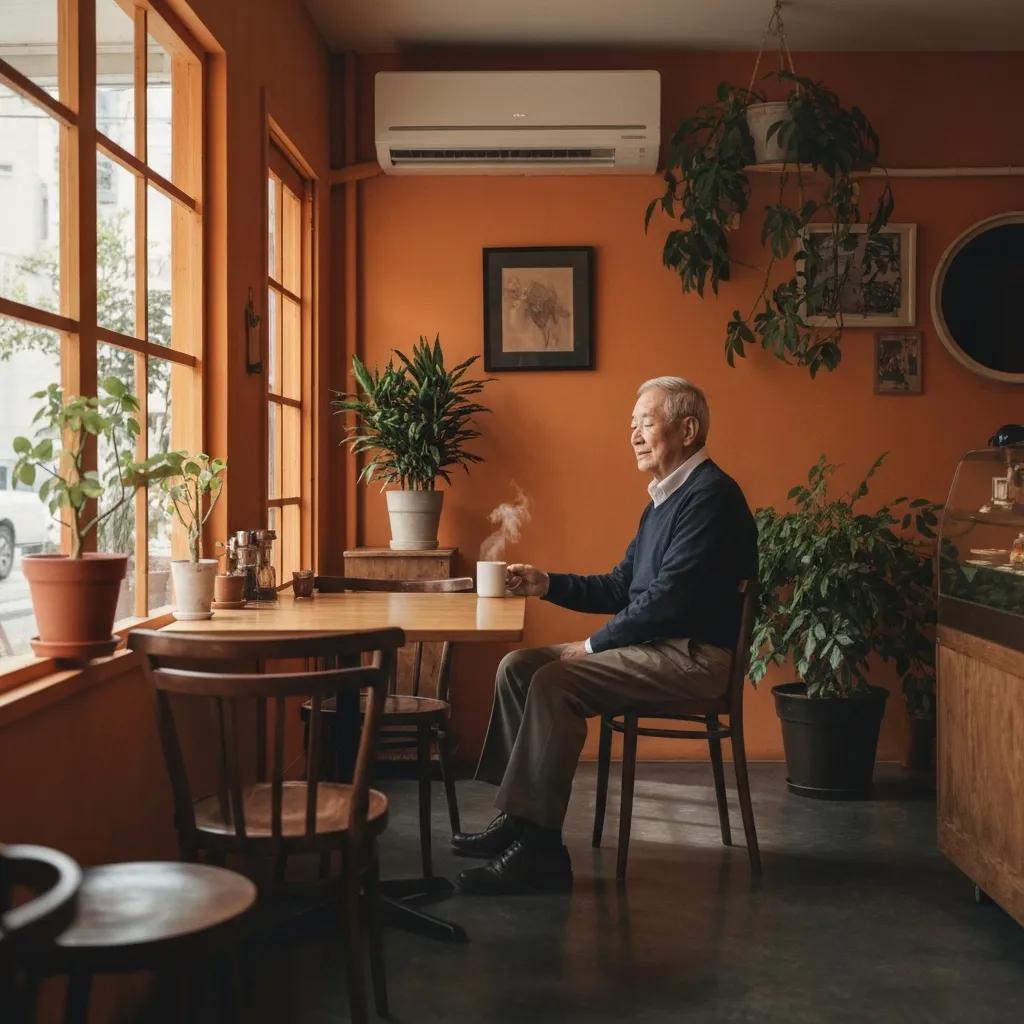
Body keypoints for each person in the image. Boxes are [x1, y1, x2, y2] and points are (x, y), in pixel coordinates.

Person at [454, 376, 758, 895]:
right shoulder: (663, 502)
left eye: (646, 422)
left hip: (696, 657)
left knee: (555, 682)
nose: (634, 435)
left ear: (687, 429)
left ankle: (541, 850)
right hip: (660, 647)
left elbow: (668, 602)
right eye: (631, 425)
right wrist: (545, 583)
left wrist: (592, 647)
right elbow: (623, 586)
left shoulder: (710, 498)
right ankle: (520, 820)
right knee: (518, 668)